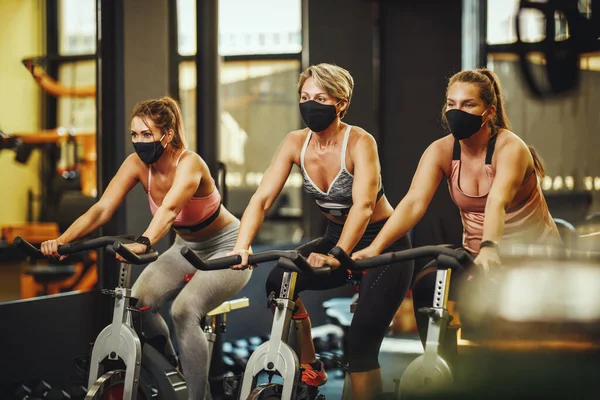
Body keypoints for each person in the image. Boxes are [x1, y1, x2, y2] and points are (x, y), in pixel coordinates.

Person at [40, 97, 251, 400]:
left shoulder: (189, 163)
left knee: (183, 309)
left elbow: (170, 209)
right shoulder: (137, 165)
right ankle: (173, 363)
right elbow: (101, 209)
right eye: (134, 135)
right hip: (186, 247)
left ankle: (197, 396)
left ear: (167, 134)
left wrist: (144, 243)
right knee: (136, 305)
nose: (139, 142)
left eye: (146, 134)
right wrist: (63, 241)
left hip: (227, 246)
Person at [229, 63, 414, 400]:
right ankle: (311, 366)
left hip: (382, 242)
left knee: (360, 348)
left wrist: (339, 255)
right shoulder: (295, 143)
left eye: (320, 97)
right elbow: (263, 197)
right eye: (304, 97)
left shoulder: (359, 142)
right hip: (335, 235)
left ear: (341, 103)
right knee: (278, 282)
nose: (310, 104)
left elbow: (364, 207)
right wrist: (243, 246)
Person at [353, 68, 561, 348]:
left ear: (489, 110)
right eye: (451, 103)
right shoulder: (441, 151)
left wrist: (489, 246)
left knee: (503, 336)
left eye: (468, 104)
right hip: (479, 257)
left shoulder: (510, 148)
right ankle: (442, 368)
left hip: (529, 256)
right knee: (428, 284)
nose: (456, 111)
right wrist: (375, 247)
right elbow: (414, 203)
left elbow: (497, 201)